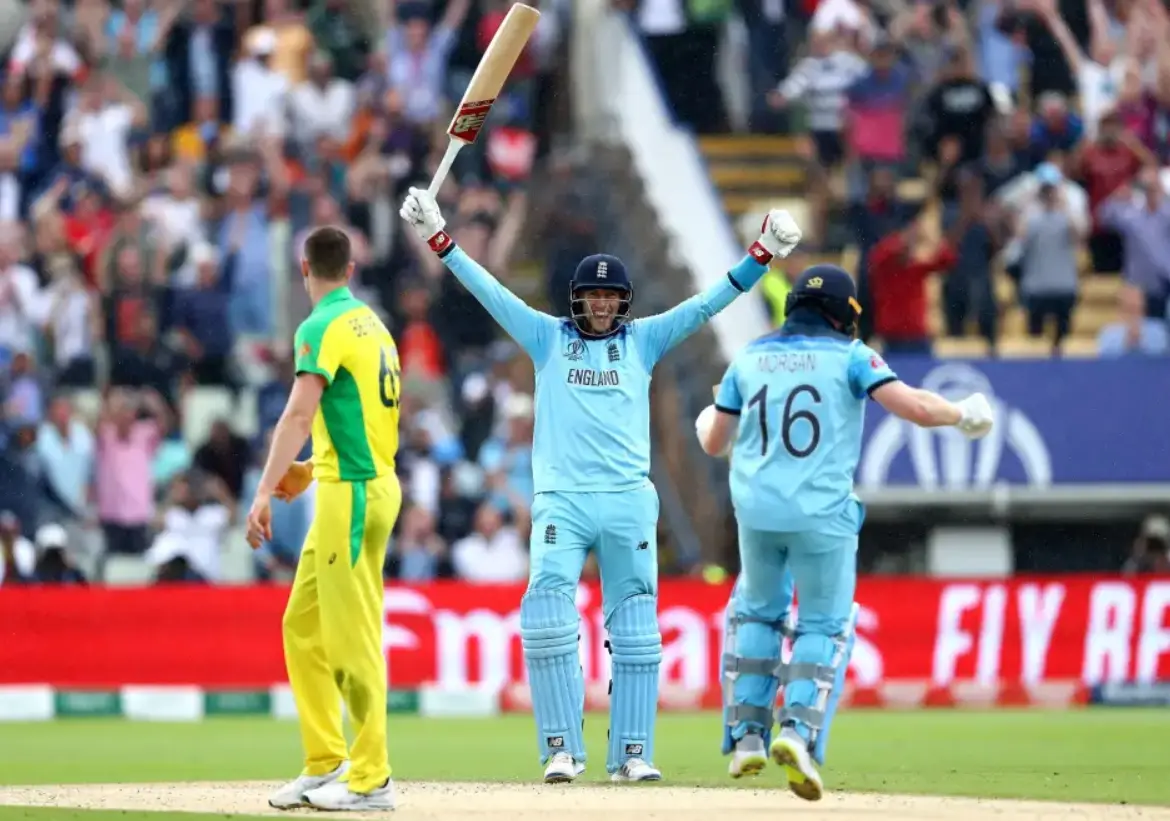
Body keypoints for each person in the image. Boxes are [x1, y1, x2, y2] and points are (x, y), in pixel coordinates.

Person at [400, 187, 802, 784]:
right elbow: (490, 292)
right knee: (546, 618)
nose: (603, 306)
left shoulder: (643, 340)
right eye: (594, 296)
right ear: (578, 298)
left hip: (627, 502)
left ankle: (632, 754)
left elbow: (706, 303)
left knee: (636, 632)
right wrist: (439, 240)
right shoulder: (547, 337)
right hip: (561, 500)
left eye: (612, 298)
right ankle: (561, 749)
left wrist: (761, 254)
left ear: (623, 301)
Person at [693, 266, 994, 801]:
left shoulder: (749, 357)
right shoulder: (852, 356)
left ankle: (746, 738)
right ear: (843, 314)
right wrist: (964, 414)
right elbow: (916, 408)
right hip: (820, 515)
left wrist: (705, 422)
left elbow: (715, 442)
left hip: (756, 514)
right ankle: (796, 734)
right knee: (824, 624)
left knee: (756, 614)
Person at [246, 226, 402, 812]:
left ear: (304, 268)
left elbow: (297, 414)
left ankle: (372, 779)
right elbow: (368, 422)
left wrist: (264, 489)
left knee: (351, 638)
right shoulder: (373, 324)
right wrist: (314, 468)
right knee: (303, 626)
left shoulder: (319, 327)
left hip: (352, 498)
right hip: (362, 485)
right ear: (351, 269)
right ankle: (326, 761)